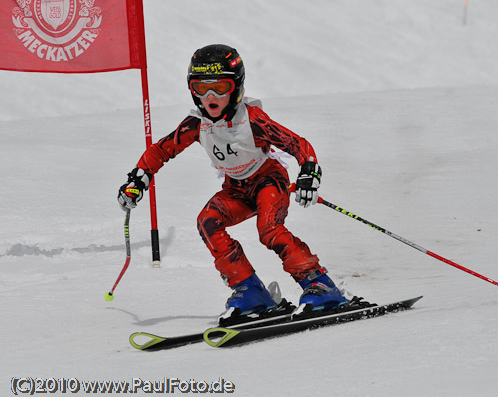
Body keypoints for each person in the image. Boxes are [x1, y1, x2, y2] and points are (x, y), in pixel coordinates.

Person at [117, 44, 347, 319]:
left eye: (220, 87)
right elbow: (161, 150)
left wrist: (309, 173)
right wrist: (138, 180)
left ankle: (320, 285)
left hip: (268, 181)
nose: (211, 97)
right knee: (208, 221)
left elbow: (297, 144)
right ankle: (250, 291)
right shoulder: (196, 124)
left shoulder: (252, 119)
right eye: (201, 89)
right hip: (236, 189)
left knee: (269, 229)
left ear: (236, 88)